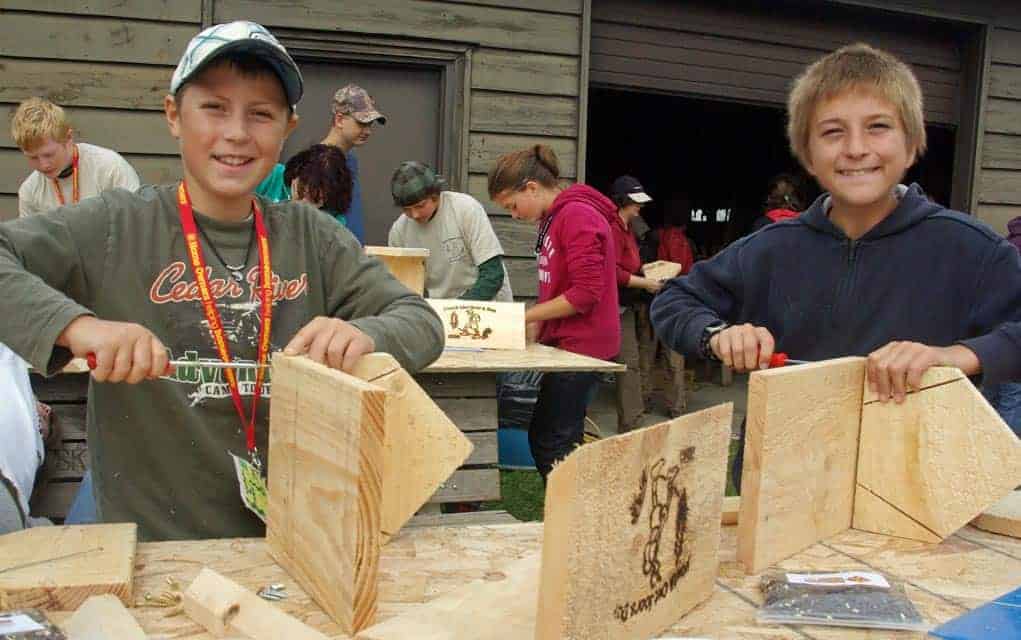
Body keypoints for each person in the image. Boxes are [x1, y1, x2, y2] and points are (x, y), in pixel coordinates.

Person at [0, 21, 443, 541]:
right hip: (150, 549)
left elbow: (421, 322)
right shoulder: (116, 225)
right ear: (173, 116)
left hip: (291, 542)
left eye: (261, 114)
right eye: (213, 107)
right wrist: (78, 327)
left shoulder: (313, 237)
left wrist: (365, 334)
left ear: (287, 127)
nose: (236, 132)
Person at [650, 43, 1021, 488]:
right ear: (807, 154)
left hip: (915, 492)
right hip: (781, 485)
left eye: (878, 127)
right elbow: (675, 300)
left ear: (913, 143)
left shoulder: (970, 248)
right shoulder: (770, 248)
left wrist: (953, 357)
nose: (856, 149)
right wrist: (718, 335)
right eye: (832, 132)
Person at [488, 145, 620, 480]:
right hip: (566, 345)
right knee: (556, 438)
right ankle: (574, 520)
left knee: (551, 442)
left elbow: (586, 293)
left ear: (531, 187)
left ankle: (572, 523)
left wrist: (527, 316)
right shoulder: (555, 217)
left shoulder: (577, 216)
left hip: (583, 349)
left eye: (512, 206)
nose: (514, 215)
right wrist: (541, 323)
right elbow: (560, 284)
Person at [388, 161, 513, 302]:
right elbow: (401, 288)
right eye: (407, 209)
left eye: (420, 206)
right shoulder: (399, 231)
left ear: (435, 195)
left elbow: (493, 274)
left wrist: (458, 308)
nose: (414, 214)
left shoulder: (465, 209)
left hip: (490, 304)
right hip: (444, 307)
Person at [12, 97, 140, 217]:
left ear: (68, 138)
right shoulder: (29, 192)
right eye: (33, 158)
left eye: (49, 155)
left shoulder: (110, 168)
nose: (43, 165)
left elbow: (138, 221)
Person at [606, 176, 662, 430]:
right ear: (622, 201)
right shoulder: (612, 228)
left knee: (631, 364)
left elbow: (630, 266)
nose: (640, 206)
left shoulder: (629, 227)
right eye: (635, 201)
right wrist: (645, 283)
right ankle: (632, 426)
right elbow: (612, 272)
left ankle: (632, 424)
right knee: (627, 365)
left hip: (624, 306)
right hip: (609, 308)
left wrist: (649, 271)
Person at [319, 84, 387, 244]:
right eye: (361, 123)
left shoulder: (350, 161)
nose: (368, 131)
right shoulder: (317, 162)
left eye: (370, 124)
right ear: (339, 119)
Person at [283, 144, 352, 226]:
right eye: (302, 191)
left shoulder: (335, 222)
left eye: (315, 197)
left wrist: (305, 214)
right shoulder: (272, 176)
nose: (305, 200)